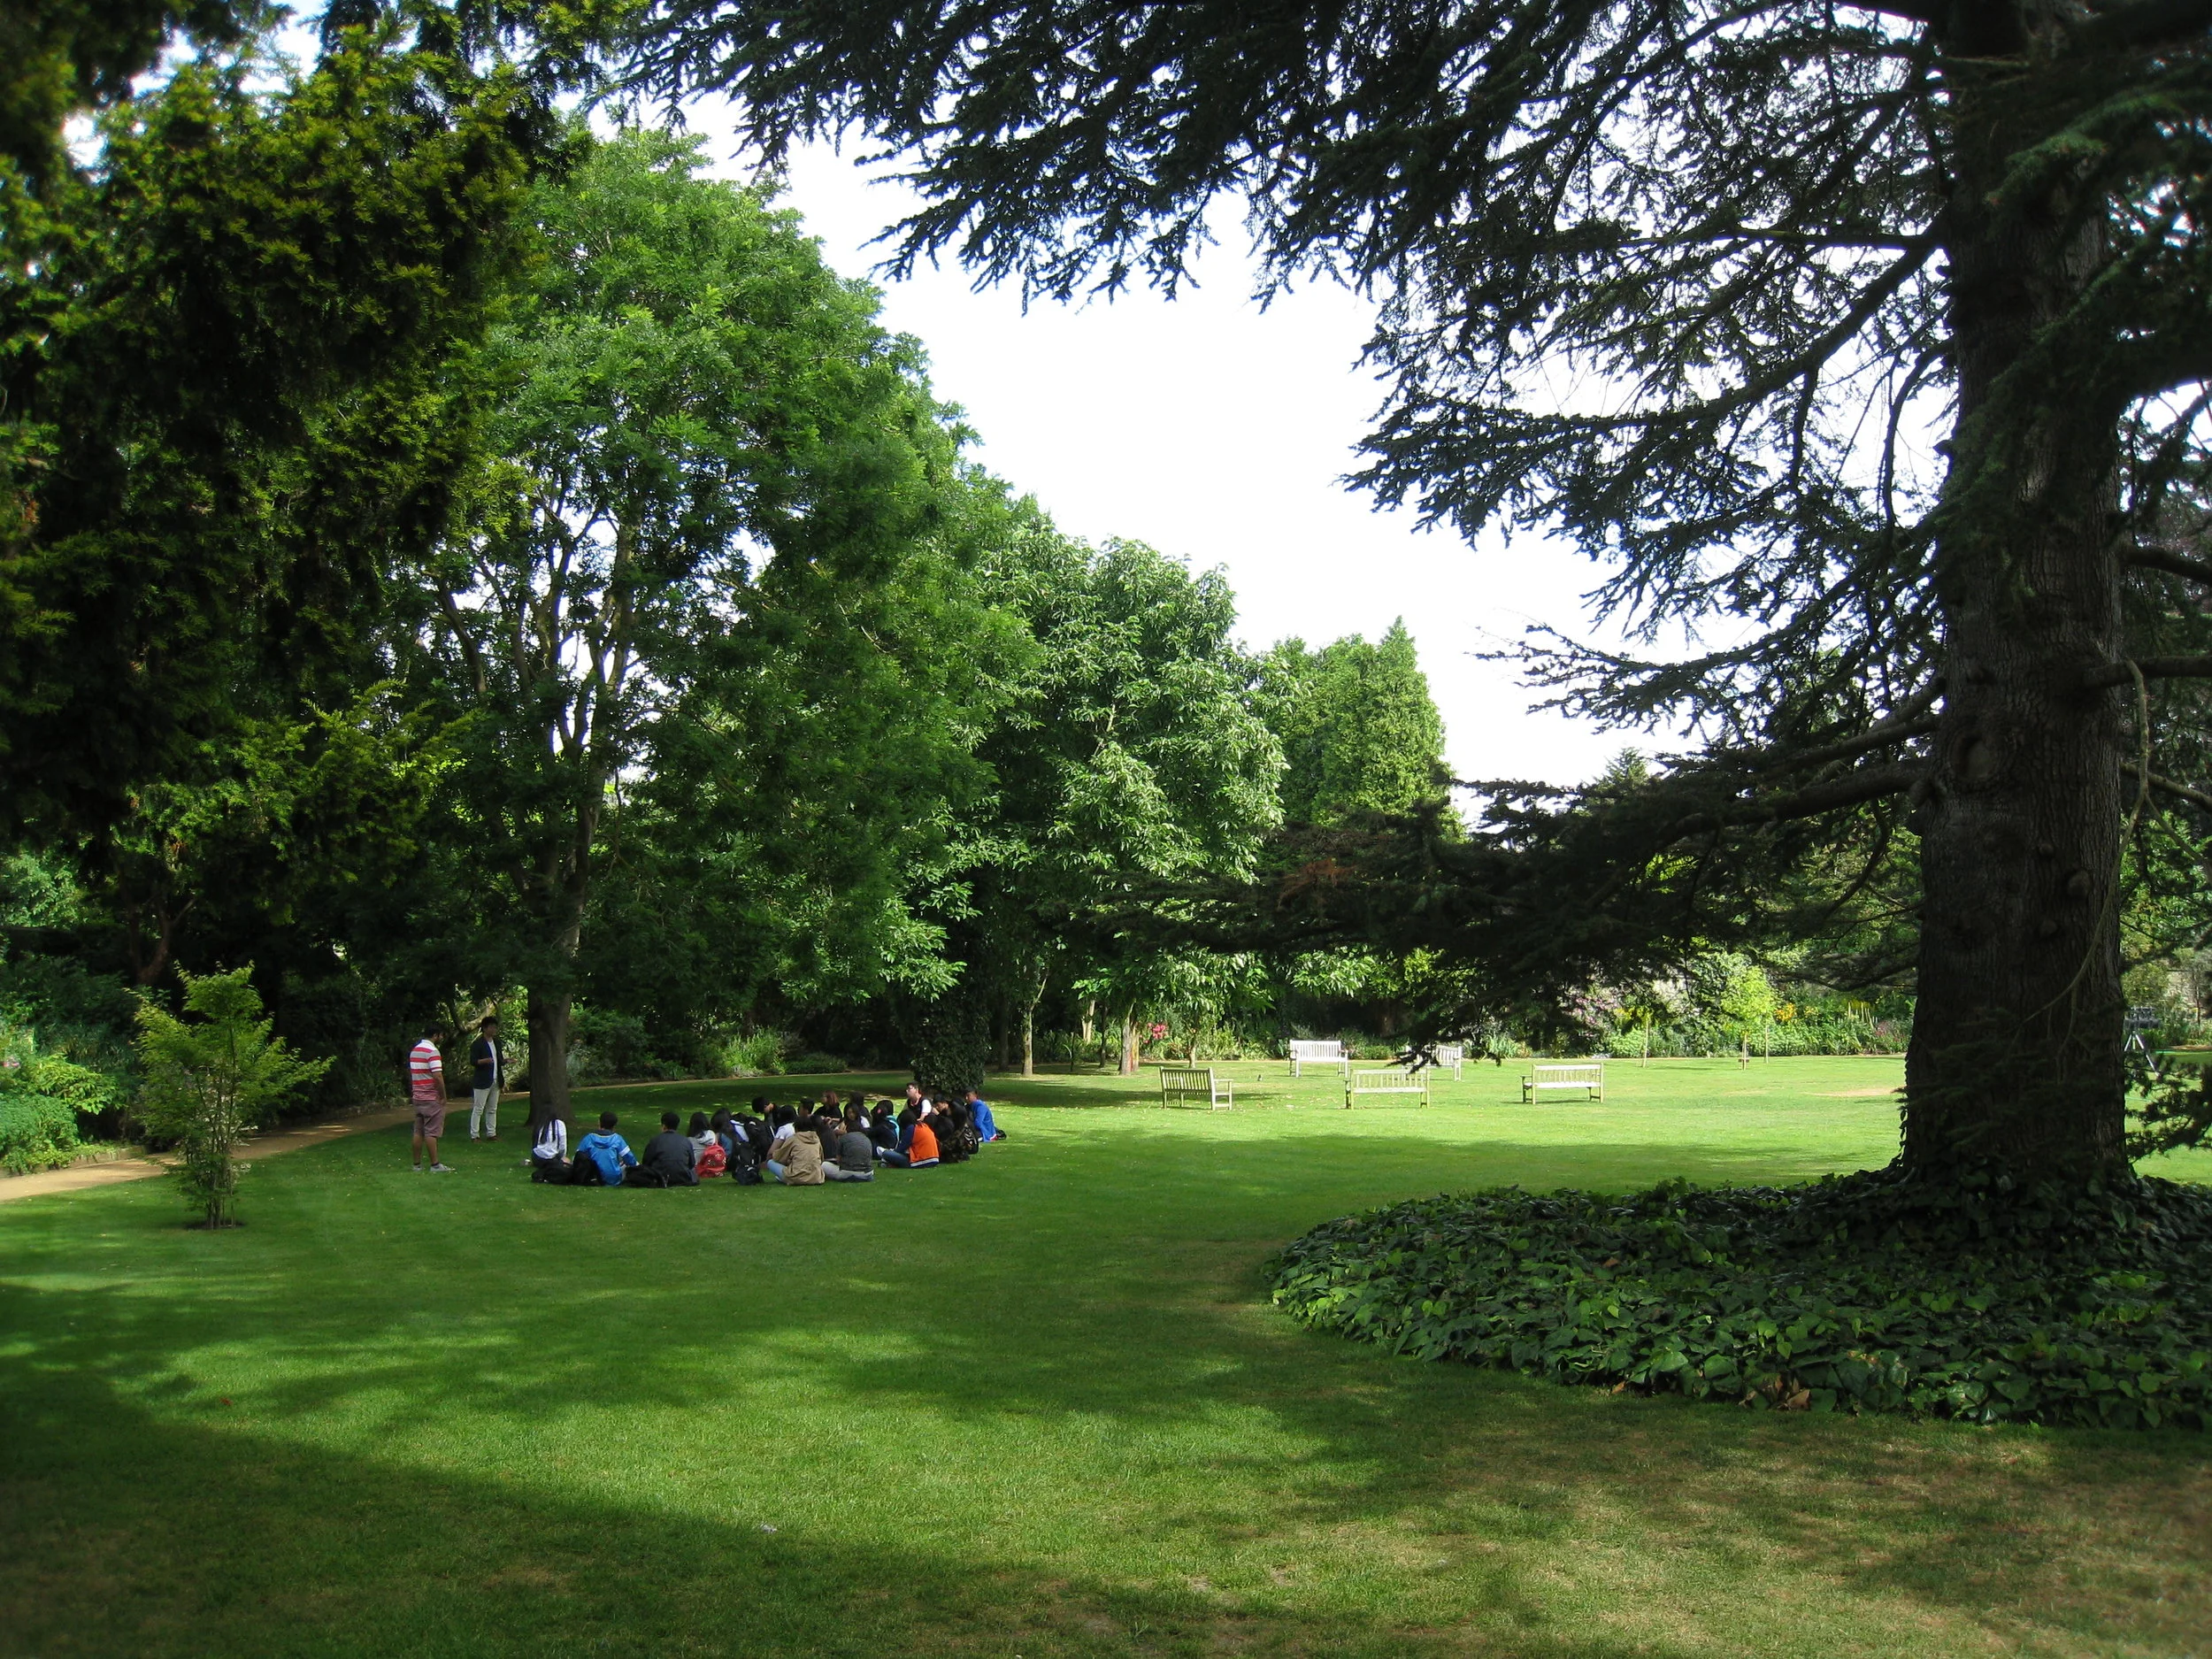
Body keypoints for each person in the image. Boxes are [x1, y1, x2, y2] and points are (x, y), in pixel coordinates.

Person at [409, 1025, 454, 1173]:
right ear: (435, 1035)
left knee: (418, 1131)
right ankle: (435, 1165)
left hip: (418, 1096)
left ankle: (416, 1164)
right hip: (430, 1096)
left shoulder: (415, 1051)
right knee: (431, 1132)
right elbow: (437, 1076)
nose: (441, 1038)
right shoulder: (432, 1051)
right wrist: (443, 1096)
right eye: (441, 1035)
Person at [569, 1111, 638, 1186]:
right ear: (614, 1125)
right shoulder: (617, 1139)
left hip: (593, 1177)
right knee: (632, 1164)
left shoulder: (589, 1138)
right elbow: (631, 1160)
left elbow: (578, 1157)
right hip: (613, 1178)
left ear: (599, 1122)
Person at [636, 1110, 700, 1187]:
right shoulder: (685, 1141)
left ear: (663, 1126)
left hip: (660, 1177)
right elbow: (691, 1163)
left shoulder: (655, 1141)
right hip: (683, 1177)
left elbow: (646, 1162)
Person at [468, 1016, 504, 1142]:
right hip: (482, 1080)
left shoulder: (497, 1043)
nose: (494, 1030)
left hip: (495, 1079)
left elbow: (499, 1060)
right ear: (485, 1028)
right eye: (491, 1027)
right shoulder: (478, 1044)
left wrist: (506, 1061)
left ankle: (491, 1133)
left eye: (495, 1027)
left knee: (492, 1108)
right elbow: (473, 1061)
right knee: (479, 1108)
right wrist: (484, 1061)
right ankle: (475, 1135)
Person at [766, 1107, 824, 1185]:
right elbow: (820, 1158)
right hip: (816, 1177)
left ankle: (786, 1178)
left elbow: (778, 1157)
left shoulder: (794, 1138)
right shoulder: (816, 1139)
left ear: (796, 1128)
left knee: (771, 1162)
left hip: (797, 1176)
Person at [824, 1111, 874, 1182]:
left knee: (824, 1165)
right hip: (868, 1173)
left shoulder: (844, 1138)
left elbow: (838, 1160)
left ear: (846, 1128)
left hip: (847, 1172)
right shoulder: (867, 1139)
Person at [528, 1114, 570, 1182]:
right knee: (567, 1161)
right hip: (553, 1159)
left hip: (537, 1158)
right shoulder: (559, 1124)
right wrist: (562, 1157)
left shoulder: (539, 1123)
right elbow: (563, 1146)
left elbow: (535, 1144)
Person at [903, 1105, 941, 1170]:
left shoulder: (912, 1128)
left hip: (921, 1161)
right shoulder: (925, 1127)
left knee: (887, 1154)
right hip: (935, 1159)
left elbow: (902, 1147)